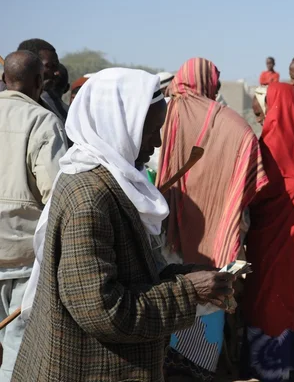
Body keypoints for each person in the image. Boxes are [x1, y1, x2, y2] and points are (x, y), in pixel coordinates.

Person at [12, 68, 237, 381]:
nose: (157, 142)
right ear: (117, 125)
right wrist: (187, 291)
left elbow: (126, 272)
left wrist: (185, 276)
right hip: (87, 368)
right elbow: (103, 311)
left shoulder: (109, 182)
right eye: (149, 130)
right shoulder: (90, 197)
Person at [157, 58, 267, 381]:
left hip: (164, 242)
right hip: (216, 246)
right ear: (211, 85)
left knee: (167, 313)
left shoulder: (159, 116)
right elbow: (248, 189)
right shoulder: (235, 126)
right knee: (206, 308)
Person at [241, 82, 294, 381]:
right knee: (288, 299)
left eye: (261, 114)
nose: (261, 121)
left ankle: (270, 369)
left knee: (270, 301)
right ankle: (288, 368)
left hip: (275, 243)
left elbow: (256, 192)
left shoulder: (273, 148)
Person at [0, 51, 68, 381]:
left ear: (3, 80)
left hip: (17, 258)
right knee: (17, 347)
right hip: (25, 259)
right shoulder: (42, 121)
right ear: (40, 83)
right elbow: (56, 194)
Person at [17, 39, 69, 123]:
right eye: (50, 66)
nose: (57, 72)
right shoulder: (7, 107)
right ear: (29, 66)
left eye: (56, 66)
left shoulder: (55, 109)